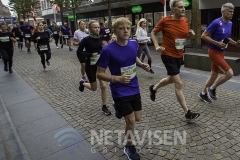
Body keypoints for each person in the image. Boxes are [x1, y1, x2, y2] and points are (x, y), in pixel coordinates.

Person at [97, 17, 150, 160]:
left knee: (138, 118)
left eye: (128, 28)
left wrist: (141, 65)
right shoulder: (107, 50)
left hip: (134, 87)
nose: (126, 30)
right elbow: (99, 74)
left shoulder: (133, 43)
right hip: (119, 90)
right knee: (131, 121)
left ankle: (118, 108)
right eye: (121, 28)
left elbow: (133, 58)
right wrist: (117, 78)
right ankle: (129, 146)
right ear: (114, 31)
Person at [150, 0, 200, 120]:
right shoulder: (165, 20)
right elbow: (153, 32)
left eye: (184, 7)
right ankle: (187, 112)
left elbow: (184, 37)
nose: (183, 9)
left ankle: (154, 88)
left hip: (179, 54)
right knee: (178, 83)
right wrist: (156, 45)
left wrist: (190, 36)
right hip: (167, 54)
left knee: (171, 79)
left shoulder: (185, 20)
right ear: (173, 9)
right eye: (180, 7)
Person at [198, 2, 240, 103]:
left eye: (233, 12)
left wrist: (236, 44)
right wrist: (216, 43)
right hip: (213, 52)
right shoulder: (216, 22)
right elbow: (203, 36)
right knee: (229, 73)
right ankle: (212, 88)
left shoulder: (230, 23)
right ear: (223, 12)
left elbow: (227, 38)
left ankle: (203, 93)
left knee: (214, 75)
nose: (232, 14)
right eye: (229, 12)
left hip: (221, 52)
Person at [77, 20, 111, 116]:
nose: (97, 29)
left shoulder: (100, 38)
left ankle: (104, 106)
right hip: (90, 65)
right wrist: (90, 54)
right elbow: (79, 52)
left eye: (98, 27)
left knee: (103, 86)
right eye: (95, 27)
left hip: (100, 66)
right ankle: (83, 83)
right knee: (94, 88)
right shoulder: (86, 39)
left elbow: (103, 49)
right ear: (90, 29)